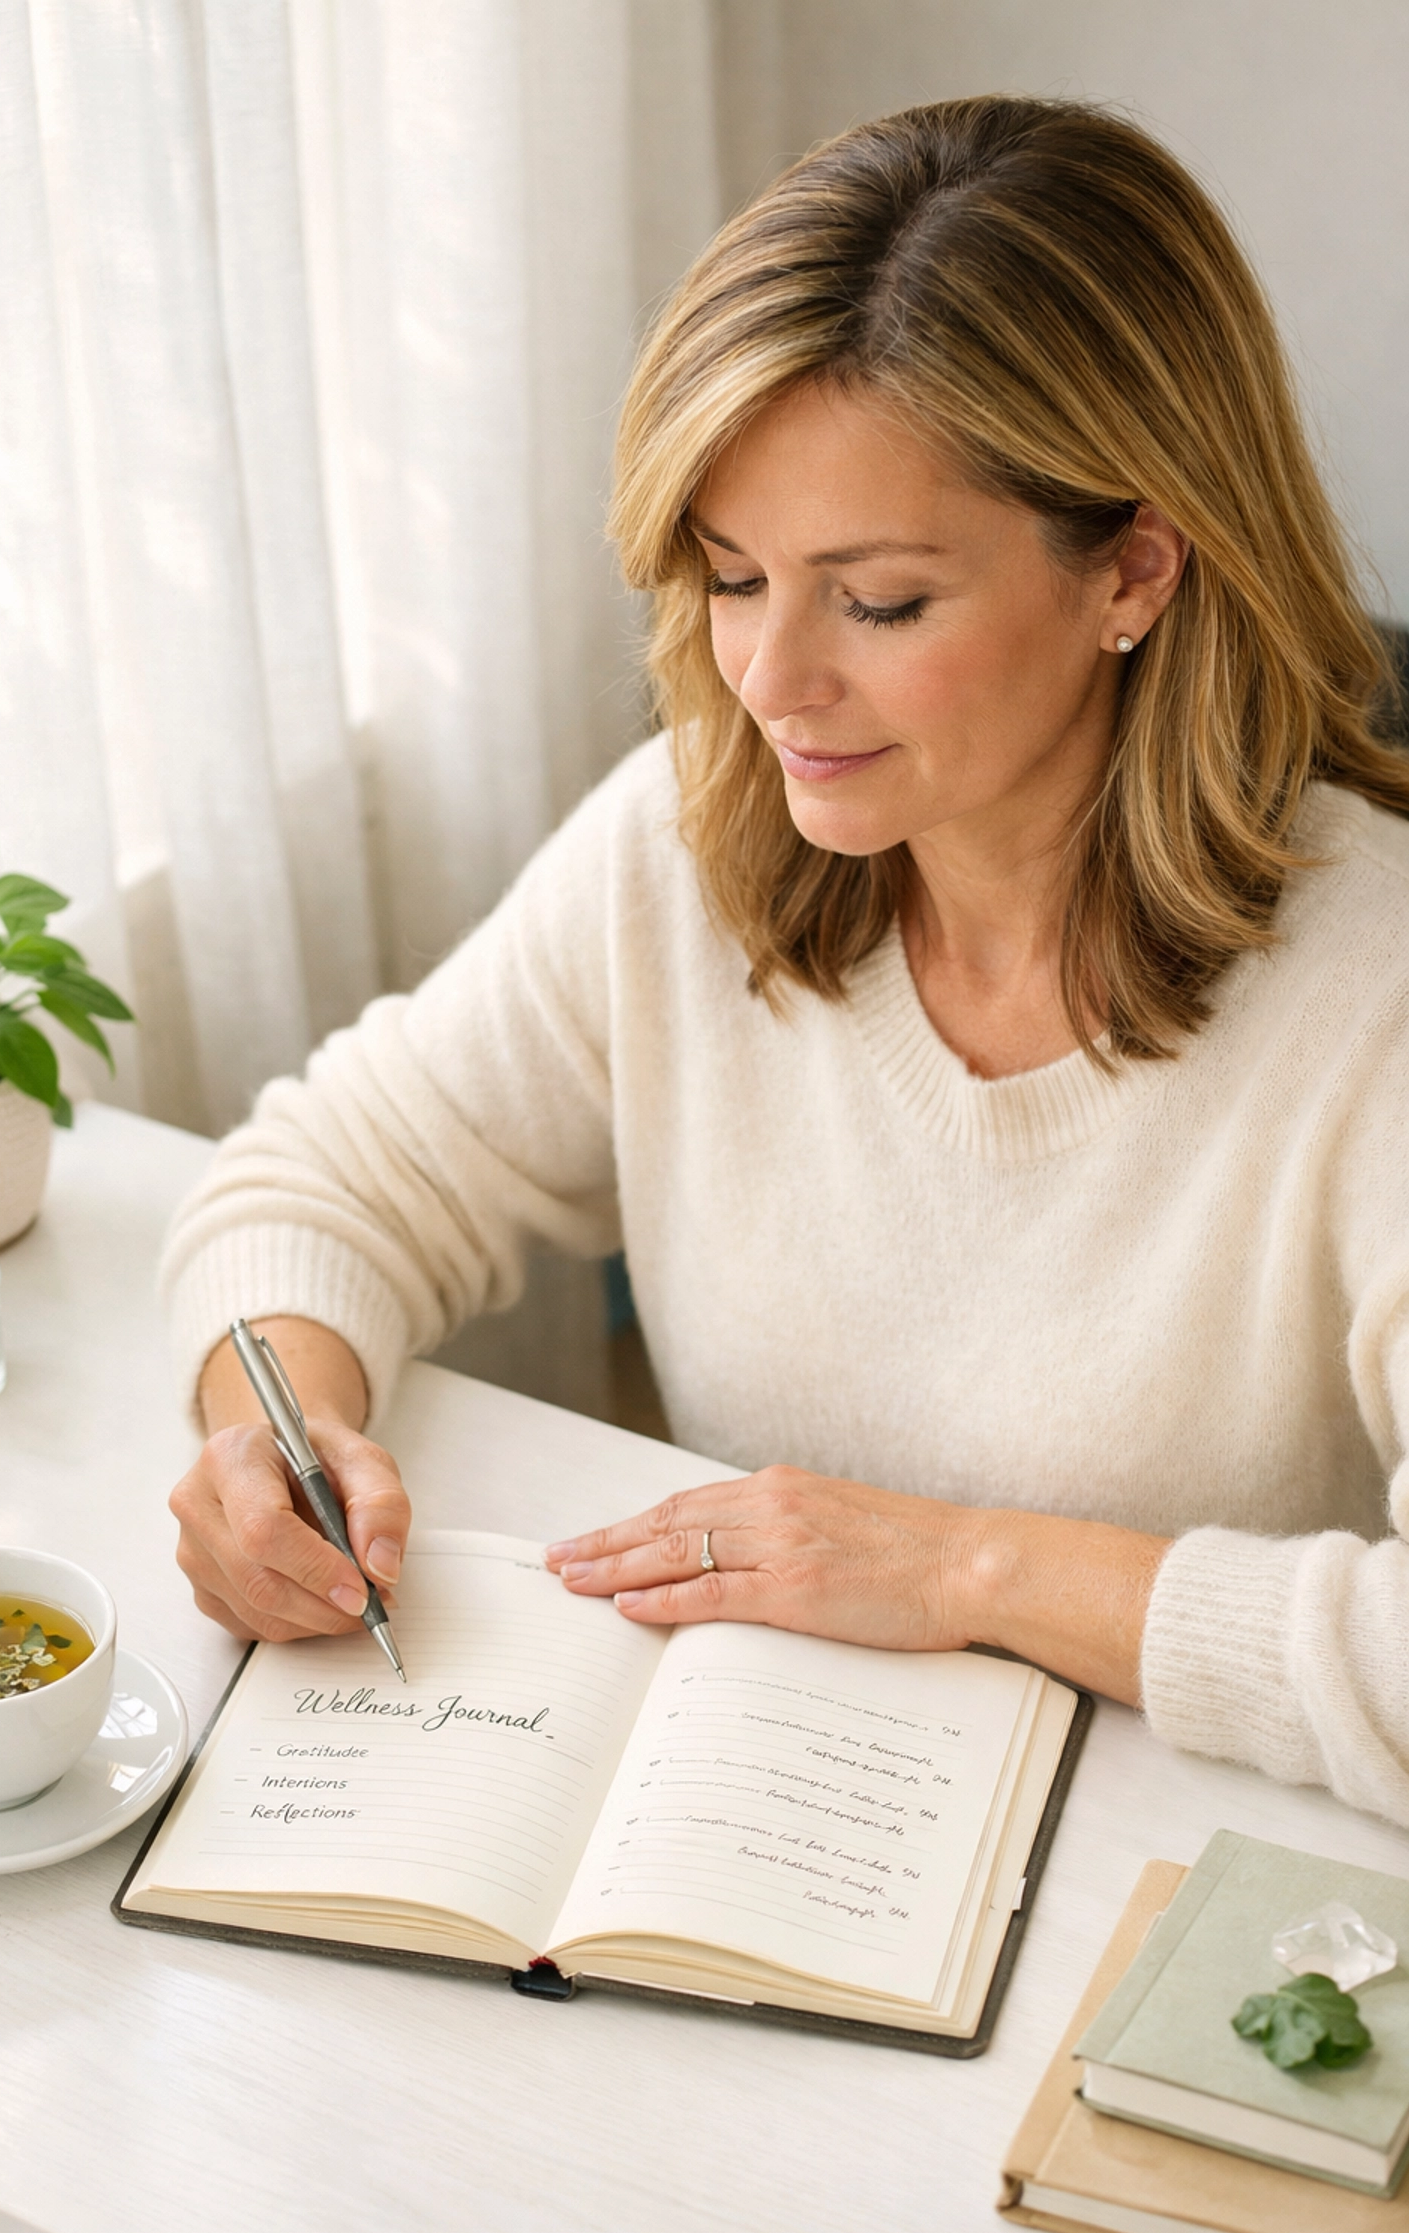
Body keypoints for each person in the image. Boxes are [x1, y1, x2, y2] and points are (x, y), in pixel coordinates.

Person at [164, 96, 1409, 1826]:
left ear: (1134, 566)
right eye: (733, 577)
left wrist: (968, 1572)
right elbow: (334, 1171)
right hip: (757, 1828)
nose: (767, 681)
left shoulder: (1376, 1003)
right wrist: (266, 1435)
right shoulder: (694, 840)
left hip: (1190, 1884)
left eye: (880, 602)